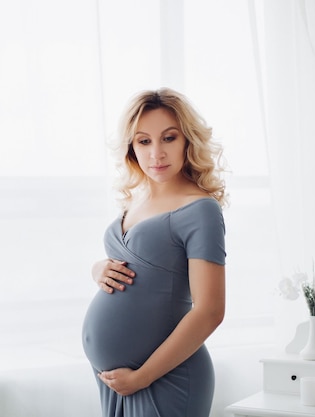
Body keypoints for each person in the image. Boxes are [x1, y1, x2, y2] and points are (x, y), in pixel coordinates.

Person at [81, 88, 227, 417]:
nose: (156, 153)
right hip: (119, 381)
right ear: (131, 147)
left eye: (169, 138)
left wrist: (142, 377)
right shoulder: (138, 198)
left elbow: (210, 310)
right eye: (144, 141)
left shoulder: (200, 210)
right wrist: (97, 269)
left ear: (188, 141)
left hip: (163, 379)